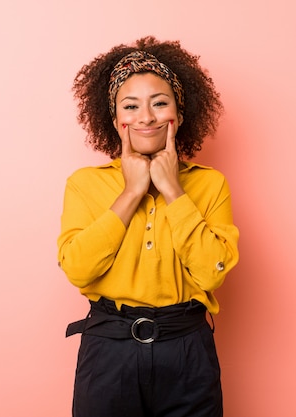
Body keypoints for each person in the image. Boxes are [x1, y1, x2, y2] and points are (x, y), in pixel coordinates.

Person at [57, 36, 240, 417]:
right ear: (115, 119)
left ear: (180, 114)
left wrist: (173, 190)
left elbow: (212, 274)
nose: (146, 117)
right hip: (109, 349)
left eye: (160, 103)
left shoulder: (209, 184)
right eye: (131, 106)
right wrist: (131, 192)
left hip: (187, 347)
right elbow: (77, 269)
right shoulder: (84, 184)